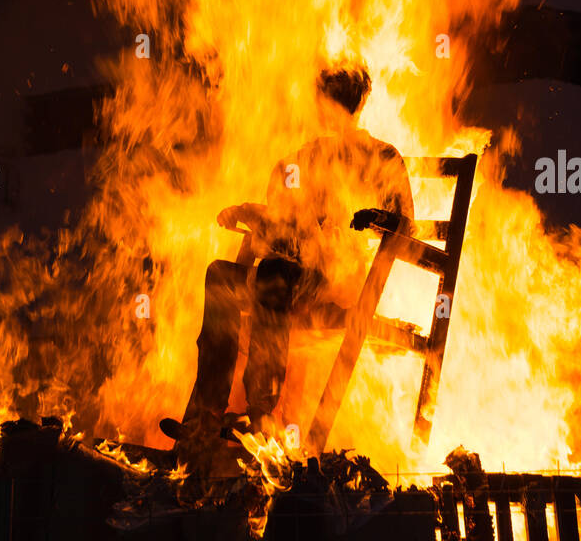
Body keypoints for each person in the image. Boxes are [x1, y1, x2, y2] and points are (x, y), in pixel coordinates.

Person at [160, 62, 413, 477]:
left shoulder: (382, 157)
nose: (326, 108)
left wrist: (376, 219)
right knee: (222, 275)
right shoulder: (305, 158)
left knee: (275, 275)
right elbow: (282, 224)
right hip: (293, 273)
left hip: (340, 279)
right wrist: (249, 212)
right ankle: (206, 416)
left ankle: (261, 414)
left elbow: (406, 224)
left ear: (354, 103)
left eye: (332, 99)